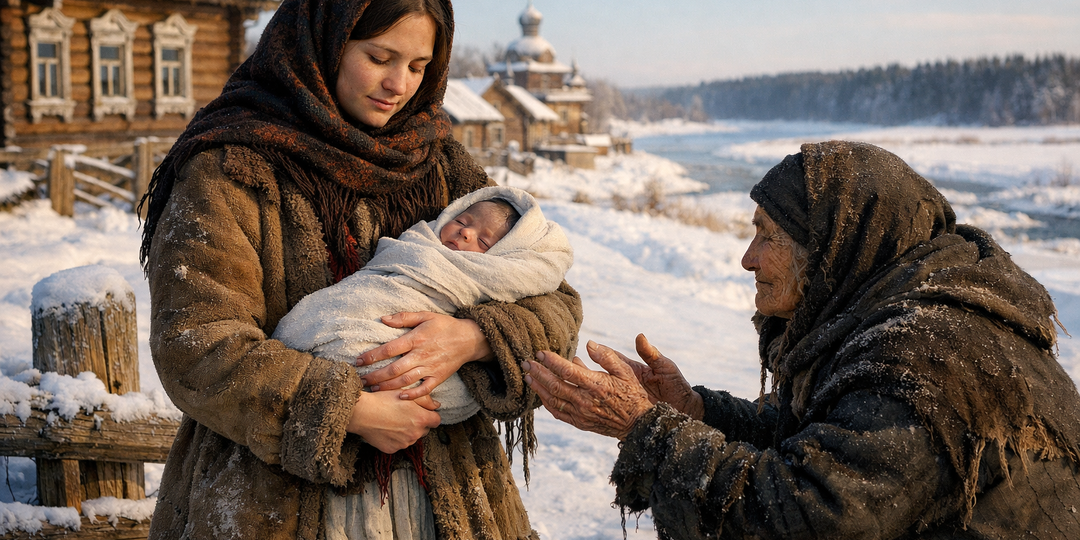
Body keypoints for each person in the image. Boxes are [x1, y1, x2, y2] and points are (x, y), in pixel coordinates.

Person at [137, 0, 582, 538]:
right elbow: (196, 345)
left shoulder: (439, 165)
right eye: (380, 57)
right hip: (272, 501)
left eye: (419, 67)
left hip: (449, 498)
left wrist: (473, 338)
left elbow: (552, 298)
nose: (399, 84)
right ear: (325, 41)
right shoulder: (232, 169)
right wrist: (346, 410)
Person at [522, 140, 1080, 539]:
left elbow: (810, 515)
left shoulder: (925, 359)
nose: (748, 258)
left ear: (835, 245)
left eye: (768, 235)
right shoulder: (883, 317)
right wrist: (693, 410)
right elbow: (826, 438)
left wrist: (644, 426)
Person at [272, 185, 573, 426]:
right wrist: (349, 410)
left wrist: (477, 337)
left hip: (448, 474)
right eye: (462, 221)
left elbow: (558, 315)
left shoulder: (449, 171)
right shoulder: (421, 242)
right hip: (295, 388)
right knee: (317, 329)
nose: (466, 233)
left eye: (484, 242)